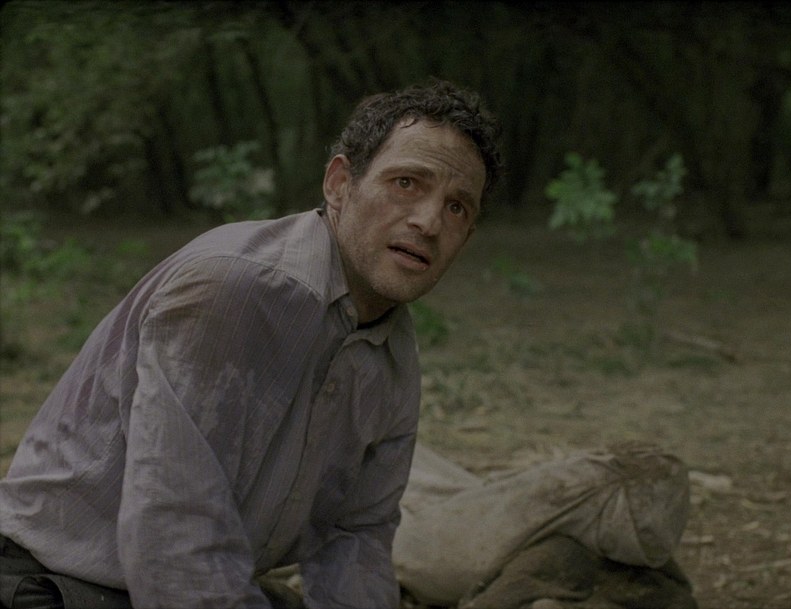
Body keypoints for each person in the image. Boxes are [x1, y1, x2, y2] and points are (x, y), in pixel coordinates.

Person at [0, 79, 503, 609]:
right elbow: (178, 536)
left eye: (457, 208)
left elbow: (355, 539)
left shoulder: (394, 353)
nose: (428, 222)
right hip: (54, 582)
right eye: (406, 183)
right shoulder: (234, 289)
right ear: (339, 184)